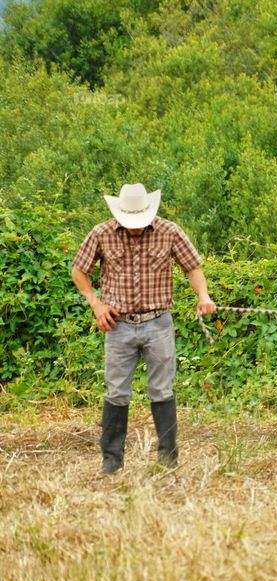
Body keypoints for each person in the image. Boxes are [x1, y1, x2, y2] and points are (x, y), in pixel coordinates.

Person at [71, 183, 216, 473]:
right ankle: (112, 463)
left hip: (159, 324)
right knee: (116, 393)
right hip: (119, 326)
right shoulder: (101, 233)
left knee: (162, 390)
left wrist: (203, 295)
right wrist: (96, 305)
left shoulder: (169, 231)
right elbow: (79, 270)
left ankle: (167, 461)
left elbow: (193, 267)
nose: (135, 229)